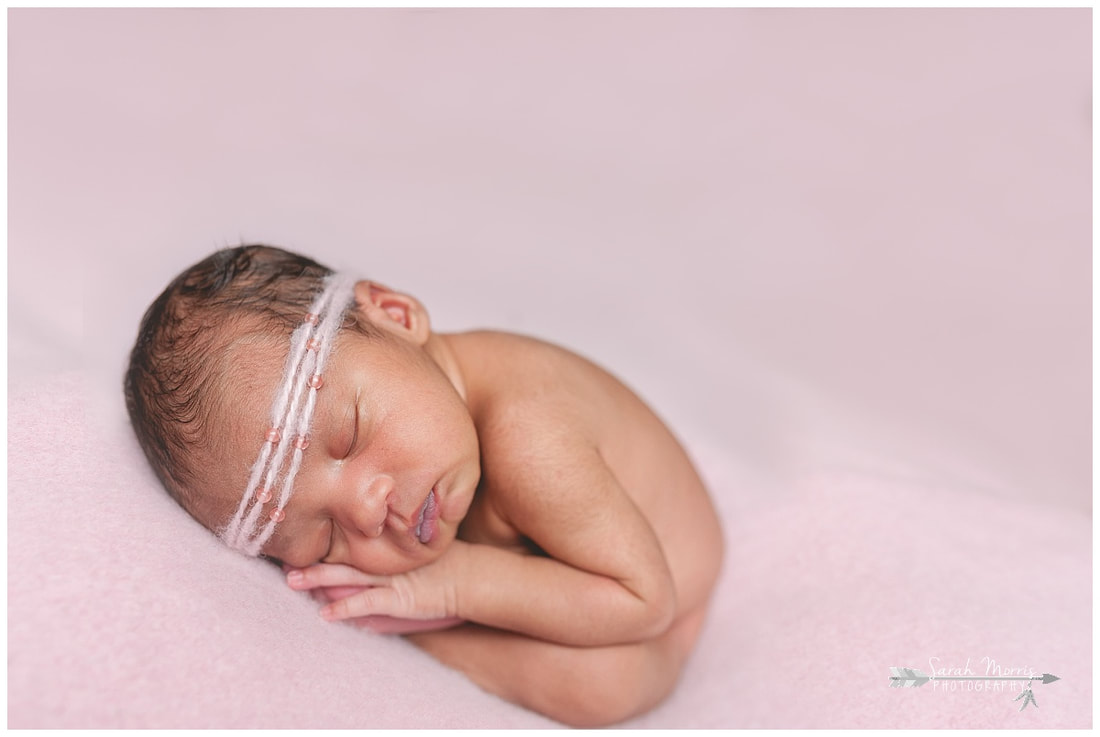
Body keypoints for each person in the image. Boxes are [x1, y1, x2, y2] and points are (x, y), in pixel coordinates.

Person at [124, 244, 724, 727]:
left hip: (657, 593)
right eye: (321, 538)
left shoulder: (529, 437)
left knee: (601, 686)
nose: (364, 511)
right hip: (573, 566)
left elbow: (644, 602)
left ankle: (422, 637)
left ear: (396, 315)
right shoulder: (437, 446)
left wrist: (443, 586)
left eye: (352, 435)